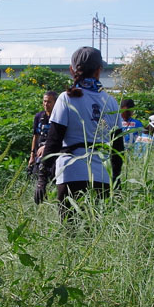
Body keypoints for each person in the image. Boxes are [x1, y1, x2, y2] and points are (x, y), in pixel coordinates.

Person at [34, 47, 123, 222]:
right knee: (94, 233)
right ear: (99, 70)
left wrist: (42, 179)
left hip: (71, 173)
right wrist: (116, 183)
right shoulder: (111, 102)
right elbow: (118, 149)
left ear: (72, 69)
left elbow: (53, 141)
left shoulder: (66, 98)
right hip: (101, 176)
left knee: (70, 232)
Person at [28, 91, 58, 173]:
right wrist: (32, 156)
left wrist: (46, 146)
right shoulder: (39, 116)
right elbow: (35, 136)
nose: (46, 104)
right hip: (39, 153)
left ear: (55, 103)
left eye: (49, 102)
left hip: (53, 153)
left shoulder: (59, 117)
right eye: (44, 101)